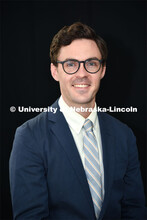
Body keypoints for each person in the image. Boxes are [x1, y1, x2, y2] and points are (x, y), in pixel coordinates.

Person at [9, 22, 146, 220]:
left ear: (102, 70)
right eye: (71, 64)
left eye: (91, 63)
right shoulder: (29, 136)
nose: (82, 74)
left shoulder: (124, 135)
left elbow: (135, 209)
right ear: (55, 71)